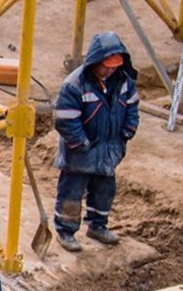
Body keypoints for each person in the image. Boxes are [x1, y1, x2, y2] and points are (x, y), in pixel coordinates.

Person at [52, 30, 139, 252]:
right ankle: (66, 231)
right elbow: (65, 119)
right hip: (80, 154)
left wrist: (127, 131)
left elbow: (132, 108)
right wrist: (81, 144)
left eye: (114, 66)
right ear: (95, 62)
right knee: (71, 193)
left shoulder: (124, 82)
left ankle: (98, 226)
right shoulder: (75, 85)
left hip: (109, 150)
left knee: (104, 192)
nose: (110, 70)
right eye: (106, 66)